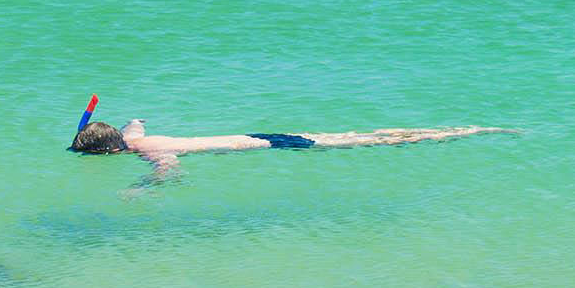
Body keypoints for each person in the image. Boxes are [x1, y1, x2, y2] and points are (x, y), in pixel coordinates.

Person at [69, 118, 516, 176]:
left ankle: (463, 132)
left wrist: (146, 188)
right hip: (254, 133)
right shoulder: (135, 137)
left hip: (264, 147)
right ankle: (456, 130)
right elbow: (136, 120)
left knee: (354, 141)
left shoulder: (143, 152)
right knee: (354, 137)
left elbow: (170, 169)